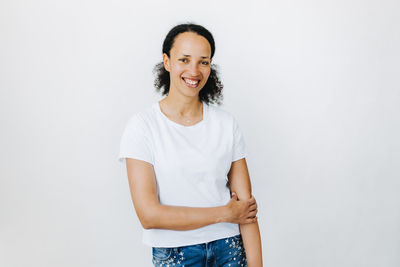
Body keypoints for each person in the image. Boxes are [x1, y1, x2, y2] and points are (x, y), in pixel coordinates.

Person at [119, 23, 263, 267]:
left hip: (229, 247)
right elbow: (149, 215)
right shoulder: (142, 126)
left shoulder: (226, 124)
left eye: (203, 62)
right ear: (167, 62)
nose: (194, 70)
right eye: (184, 59)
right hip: (176, 255)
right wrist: (225, 214)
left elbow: (246, 211)